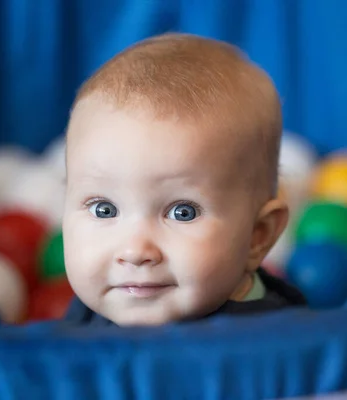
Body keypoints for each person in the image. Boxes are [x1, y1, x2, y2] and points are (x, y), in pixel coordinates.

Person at [62, 33, 307, 327]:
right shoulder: (86, 319)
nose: (135, 251)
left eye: (183, 212)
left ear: (258, 235)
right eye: (104, 209)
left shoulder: (270, 343)